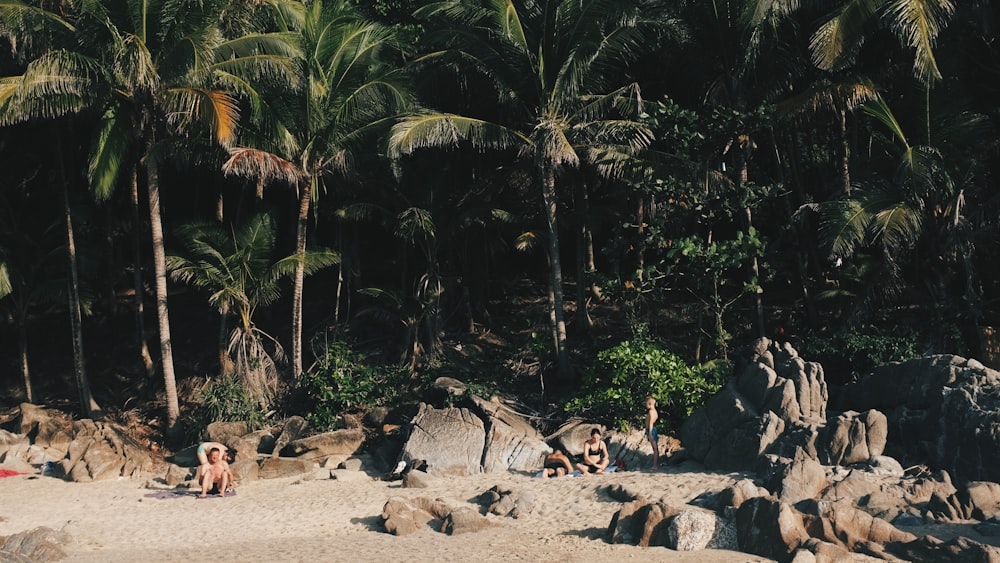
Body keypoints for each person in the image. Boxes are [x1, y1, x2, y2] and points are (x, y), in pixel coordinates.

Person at [645, 396, 660, 469]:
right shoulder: (655, 412)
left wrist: (650, 434)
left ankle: (655, 465)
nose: (646, 405)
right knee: (655, 448)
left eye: (646, 403)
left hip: (651, 430)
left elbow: (651, 423)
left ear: (650, 403)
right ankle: (656, 464)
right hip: (653, 429)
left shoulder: (651, 412)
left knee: (655, 448)